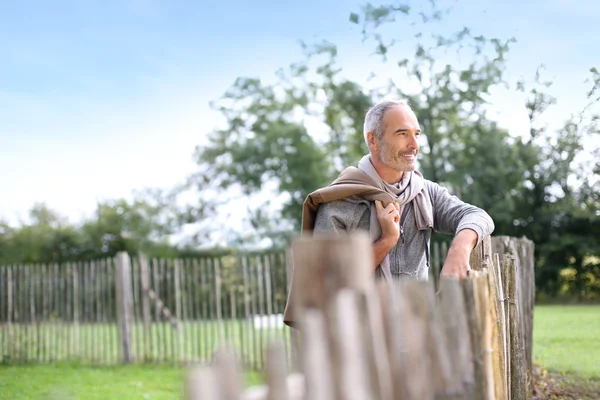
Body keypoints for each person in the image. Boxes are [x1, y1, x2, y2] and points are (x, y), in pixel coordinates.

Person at [283, 99, 495, 327]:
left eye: (417, 133)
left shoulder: (424, 192)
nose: (414, 144)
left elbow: (478, 216)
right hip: (361, 345)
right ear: (373, 140)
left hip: (417, 335)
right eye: (402, 133)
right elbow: (328, 288)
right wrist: (387, 241)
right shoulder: (338, 204)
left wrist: (458, 251)